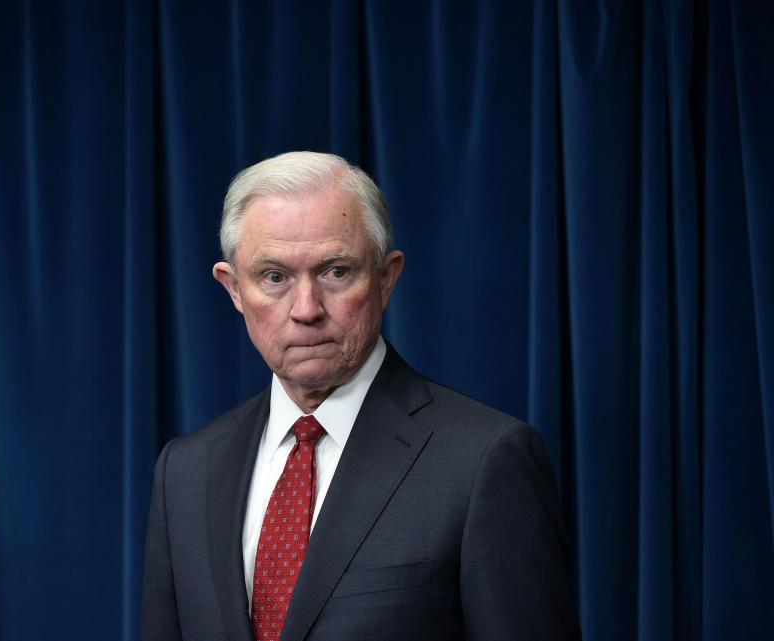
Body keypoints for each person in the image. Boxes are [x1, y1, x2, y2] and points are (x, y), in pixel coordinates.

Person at [141, 151, 581, 641]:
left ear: (386, 278)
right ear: (234, 289)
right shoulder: (184, 471)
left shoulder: (487, 459)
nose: (305, 309)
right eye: (274, 277)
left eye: (336, 271)